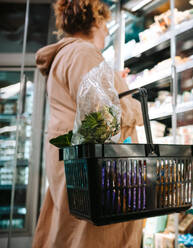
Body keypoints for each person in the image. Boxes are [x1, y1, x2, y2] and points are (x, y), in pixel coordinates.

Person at [32, 0, 143, 247]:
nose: (106, 32)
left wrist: (114, 83)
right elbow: (104, 118)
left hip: (78, 169)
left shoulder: (68, 55)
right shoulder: (82, 53)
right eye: (105, 25)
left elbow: (89, 101)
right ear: (97, 21)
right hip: (96, 175)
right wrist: (135, 106)